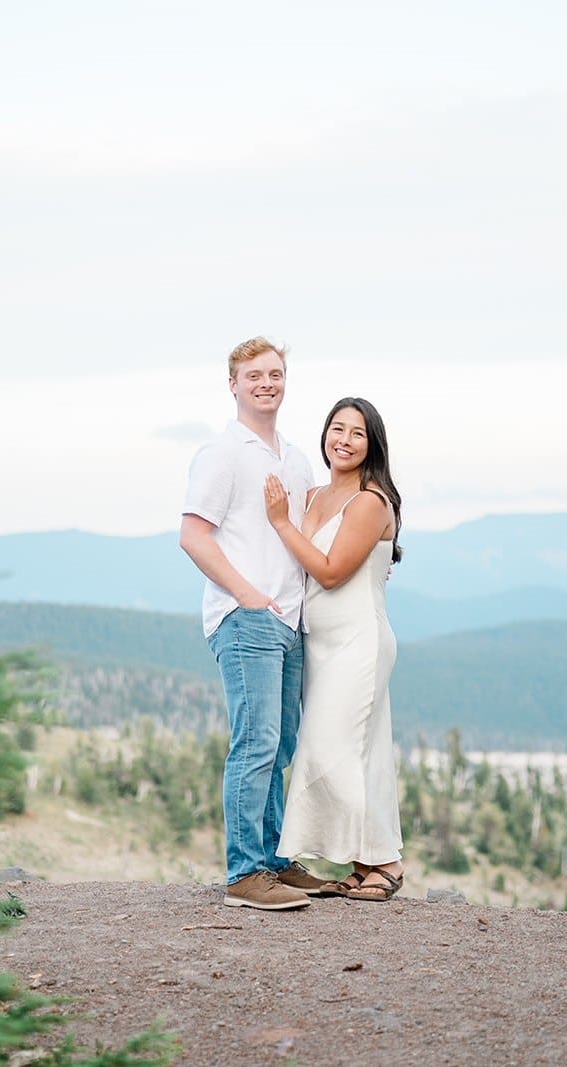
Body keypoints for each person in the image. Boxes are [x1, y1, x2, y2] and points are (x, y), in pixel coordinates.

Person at [180, 337, 335, 910]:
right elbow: (193, 534)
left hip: (291, 620)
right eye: (255, 375)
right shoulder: (223, 453)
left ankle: (272, 861)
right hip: (247, 618)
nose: (267, 383)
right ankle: (244, 874)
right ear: (233, 384)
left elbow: (301, 532)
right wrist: (248, 596)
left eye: (276, 373)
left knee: (282, 742)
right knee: (256, 742)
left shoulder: (293, 458)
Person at [263, 396, 405, 901]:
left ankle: (385, 862)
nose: (343, 440)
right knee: (360, 754)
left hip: (358, 641)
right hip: (318, 643)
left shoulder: (369, 501)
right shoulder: (314, 494)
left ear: (372, 445)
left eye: (357, 433)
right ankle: (367, 862)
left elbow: (329, 570)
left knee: (332, 748)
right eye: (336, 429)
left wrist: (281, 523)